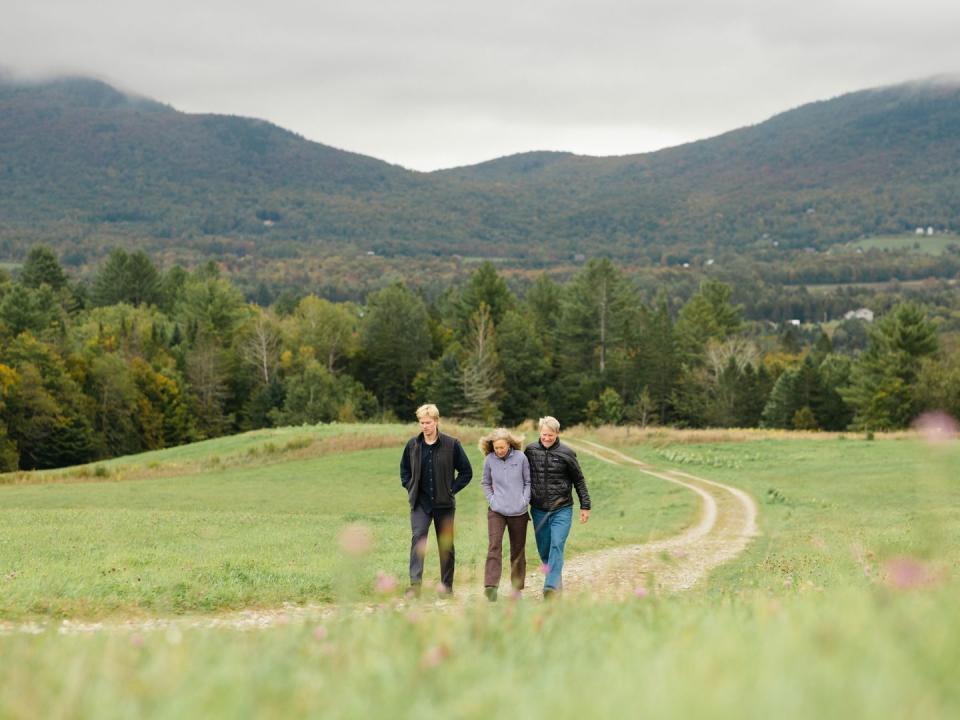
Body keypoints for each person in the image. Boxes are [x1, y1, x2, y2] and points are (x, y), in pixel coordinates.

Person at [400, 404, 473, 597]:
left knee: (446, 546)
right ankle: (415, 587)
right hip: (420, 504)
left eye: (428, 422)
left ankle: (446, 587)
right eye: (422, 422)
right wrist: (410, 486)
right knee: (418, 540)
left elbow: (466, 472)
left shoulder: (452, 444)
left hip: (445, 505)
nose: (425, 426)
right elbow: (404, 471)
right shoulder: (412, 445)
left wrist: (452, 490)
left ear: (436, 421)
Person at [524, 416, 591, 598]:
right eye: (544, 434)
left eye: (550, 435)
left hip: (562, 508)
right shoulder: (530, 450)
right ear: (539, 432)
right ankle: (556, 584)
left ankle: (550, 587)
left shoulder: (567, 453)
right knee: (544, 550)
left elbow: (579, 480)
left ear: (557, 433)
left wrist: (585, 506)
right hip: (538, 509)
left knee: (557, 545)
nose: (546, 438)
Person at [479, 428, 531, 601]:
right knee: (494, 545)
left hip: (519, 512)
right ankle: (491, 586)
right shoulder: (489, 460)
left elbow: (528, 482)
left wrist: (524, 500)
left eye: (502, 447)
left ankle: (516, 589)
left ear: (509, 444)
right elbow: (485, 483)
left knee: (517, 550)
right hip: (497, 511)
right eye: (496, 448)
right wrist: (493, 501)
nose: (499, 451)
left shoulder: (521, 458)